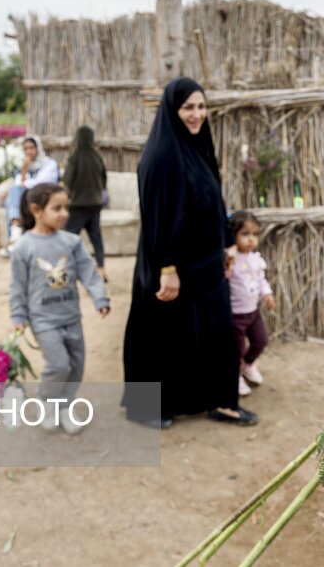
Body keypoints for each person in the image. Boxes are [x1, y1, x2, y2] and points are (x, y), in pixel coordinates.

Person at [122, 77, 258, 429]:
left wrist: (226, 245)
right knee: (160, 336)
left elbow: (213, 203)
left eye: (201, 106)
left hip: (205, 263)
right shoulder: (160, 157)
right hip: (170, 263)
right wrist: (167, 268)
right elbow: (156, 217)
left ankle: (222, 401)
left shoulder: (199, 149)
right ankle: (146, 407)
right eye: (188, 108)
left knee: (215, 331)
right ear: (172, 110)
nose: (197, 114)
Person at [9, 182, 110, 435]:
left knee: (76, 366)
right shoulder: (23, 248)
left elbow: (89, 273)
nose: (65, 214)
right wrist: (18, 315)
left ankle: (64, 406)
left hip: (71, 317)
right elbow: (17, 286)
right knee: (59, 364)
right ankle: (47, 403)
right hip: (43, 321)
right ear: (36, 210)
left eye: (67, 207)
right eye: (57, 208)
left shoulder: (72, 242)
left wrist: (100, 298)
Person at [226, 210, 276, 397]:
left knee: (261, 340)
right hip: (235, 315)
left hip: (253, 312)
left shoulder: (255, 259)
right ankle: (235, 375)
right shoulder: (230, 259)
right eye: (245, 234)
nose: (251, 239)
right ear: (233, 235)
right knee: (236, 349)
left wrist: (267, 294)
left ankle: (247, 364)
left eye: (255, 234)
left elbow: (261, 280)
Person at [62, 125, 108, 281]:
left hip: (78, 206)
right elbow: (104, 181)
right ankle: (101, 269)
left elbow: (67, 180)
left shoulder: (74, 157)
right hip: (95, 204)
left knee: (68, 237)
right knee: (96, 238)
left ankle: (66, 268)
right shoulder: (97, 157)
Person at [4, 134, 60, 251]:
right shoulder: (26, 165)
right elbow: (20, 184)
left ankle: (15, 237)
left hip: (43, 196)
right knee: (14, 192)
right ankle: (16, 230)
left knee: (14, 193)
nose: (28, 151)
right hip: (28, 197)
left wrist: (24, 180)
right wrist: (24, 170)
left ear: (38, 148)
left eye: (31, 148)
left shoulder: (49, 163)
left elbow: (40, 183)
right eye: (25, 149)